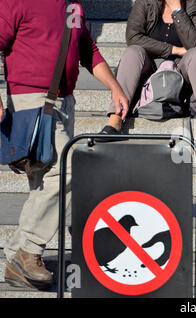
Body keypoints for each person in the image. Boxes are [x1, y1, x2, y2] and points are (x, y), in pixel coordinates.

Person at [0, 0, 128, 289]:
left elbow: (87, 50)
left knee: (46, 183)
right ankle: (29, 250)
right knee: (71, 169)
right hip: (30, 101)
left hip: (63, 103)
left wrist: (115, 86)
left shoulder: (73, 6)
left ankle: (16, 260)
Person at [99, 0, 196, 135]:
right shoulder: (146, 2)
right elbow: (133, 37)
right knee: (133, 52)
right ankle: (116, 117)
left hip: (181, 75)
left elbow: (194, 43)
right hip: (148, 73)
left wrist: (177, 10)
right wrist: (173, 49)